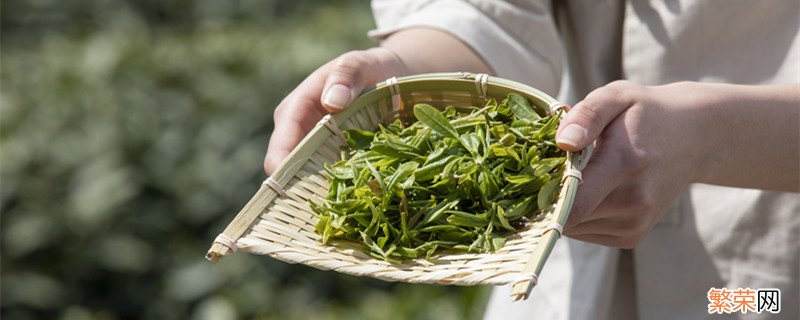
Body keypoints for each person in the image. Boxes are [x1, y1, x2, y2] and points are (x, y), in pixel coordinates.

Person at [264, 1, 799, 319]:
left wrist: (708, 135)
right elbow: (490, 12)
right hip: (554, 256)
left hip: (764, 276)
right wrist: (408, 72)